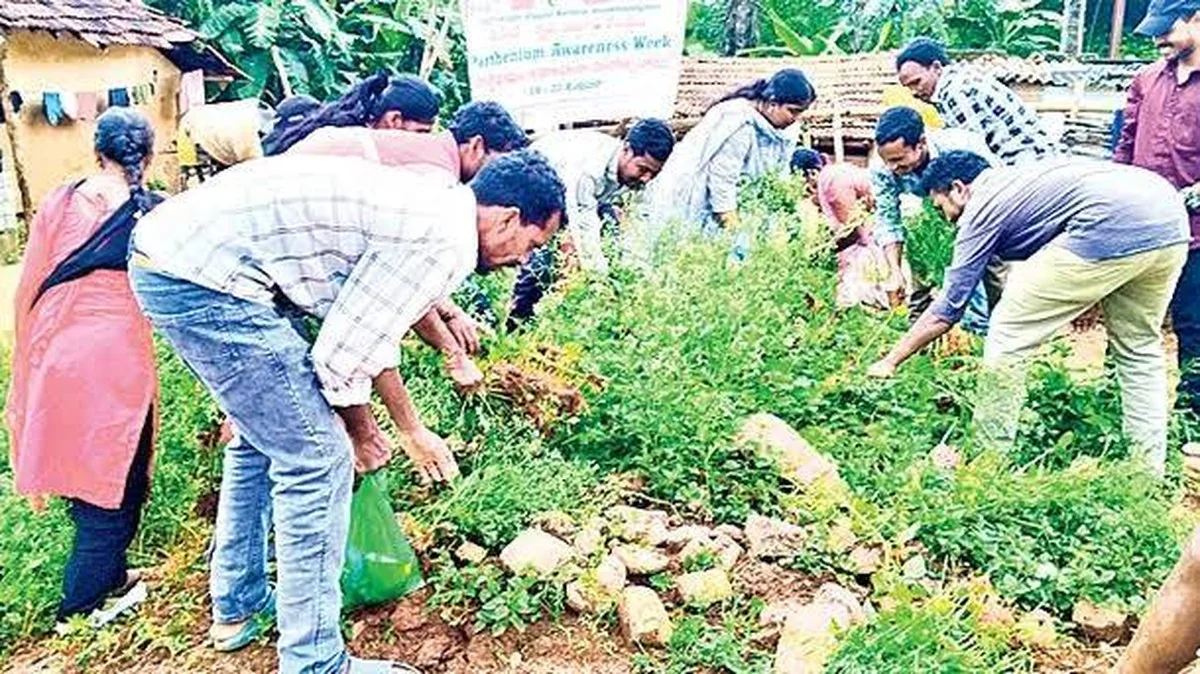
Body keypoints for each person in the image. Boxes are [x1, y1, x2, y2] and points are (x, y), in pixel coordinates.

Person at [128, 150, 565, 674]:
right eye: (531, 244)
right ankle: (313, 661)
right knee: (316, 459)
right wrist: (365, 434)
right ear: (508, 218)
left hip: (178, 260)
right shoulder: (443, 239)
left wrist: (399, 426)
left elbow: (369, 328)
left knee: (264, 437)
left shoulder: (437, 204)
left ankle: (239, 604)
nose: (523, 259)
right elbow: (340, 358)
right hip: (205, 279)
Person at [867, 151, 1190, 475]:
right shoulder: (1019, 185)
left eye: (941, 207)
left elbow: (950, 306)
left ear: (958, 188)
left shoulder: (981, 208)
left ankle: (985, 464)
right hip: (1168, 219)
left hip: (1110, 223)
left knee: (1007, 337)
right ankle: (1147, 473)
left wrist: (891, 359)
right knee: (1139, 351)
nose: (947, 219)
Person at [6, 108, 164, 627]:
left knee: (85, 466)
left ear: (96, 152)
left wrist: (31, 349)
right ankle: (81, 608)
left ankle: (111, 576)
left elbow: (31, 280)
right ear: (150, 155)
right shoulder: (154, 213)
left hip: (58, 347)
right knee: (117, 479)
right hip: (116, 357)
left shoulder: (65, 198)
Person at [289, 101, 530, 399]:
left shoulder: (428, 153)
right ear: (477, 146)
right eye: (502, 163)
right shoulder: (435, 180)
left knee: (283, 376)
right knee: (290, 384)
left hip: (291, 232)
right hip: (284, 240)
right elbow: (401, 278)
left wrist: (452, 313)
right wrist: (454, 355)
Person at [1113, 0, 1200, 419]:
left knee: (1193, 327)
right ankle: (1119, 408)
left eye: (1166, 28)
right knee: (1128, 322)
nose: (1157, 38)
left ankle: (1191, 421)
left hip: (1196, 234)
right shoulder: (1146, 80)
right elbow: (1125, 147)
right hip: (1141, 231)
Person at [509, 118, 676, 323]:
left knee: (610, 230)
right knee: (544, 258)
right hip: (534, 187)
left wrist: (635, 276)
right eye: (642, 169)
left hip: (583, 197)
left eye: (654, 173)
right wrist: (599, 282)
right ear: (627, 149)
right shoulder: (589, 170)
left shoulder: (643, 179)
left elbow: (641, 223)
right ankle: (515, 320)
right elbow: (583, 226)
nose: (646, 178)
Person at [634, 69, 815, 256]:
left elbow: (778, 179)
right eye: (792, 111)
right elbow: (722, 182)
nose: (795, 119)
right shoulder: (739, 122)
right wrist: (734, 232)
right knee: (691, 257)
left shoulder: (786, 132)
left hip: (741, 206)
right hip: (701, 202)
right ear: (772, 102)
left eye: (800, 113)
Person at [871, 105, 999, 330]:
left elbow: (995, 194)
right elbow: (888, 218)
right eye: (887, 160)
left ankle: (989, 336)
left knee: (987, 282)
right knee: (925, 268)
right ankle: (922, 333)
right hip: (931, 222)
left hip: (980, 217)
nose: (892, 167)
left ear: (921, 143)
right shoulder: (883, 168)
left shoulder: (962, 146)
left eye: (899, 159)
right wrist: (895, 271)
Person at [895, 38, 1056, 166]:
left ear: (936, 67)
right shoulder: (958, 81)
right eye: (908, 87)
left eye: (917, 82)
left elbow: (972, 153)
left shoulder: (955, 92)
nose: (914, 92)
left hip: (1026, 162)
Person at [262, 72, 440, 156]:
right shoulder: (352, 144)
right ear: (394, 119)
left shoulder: (345, 128)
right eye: (421, 132)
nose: (424, 141)